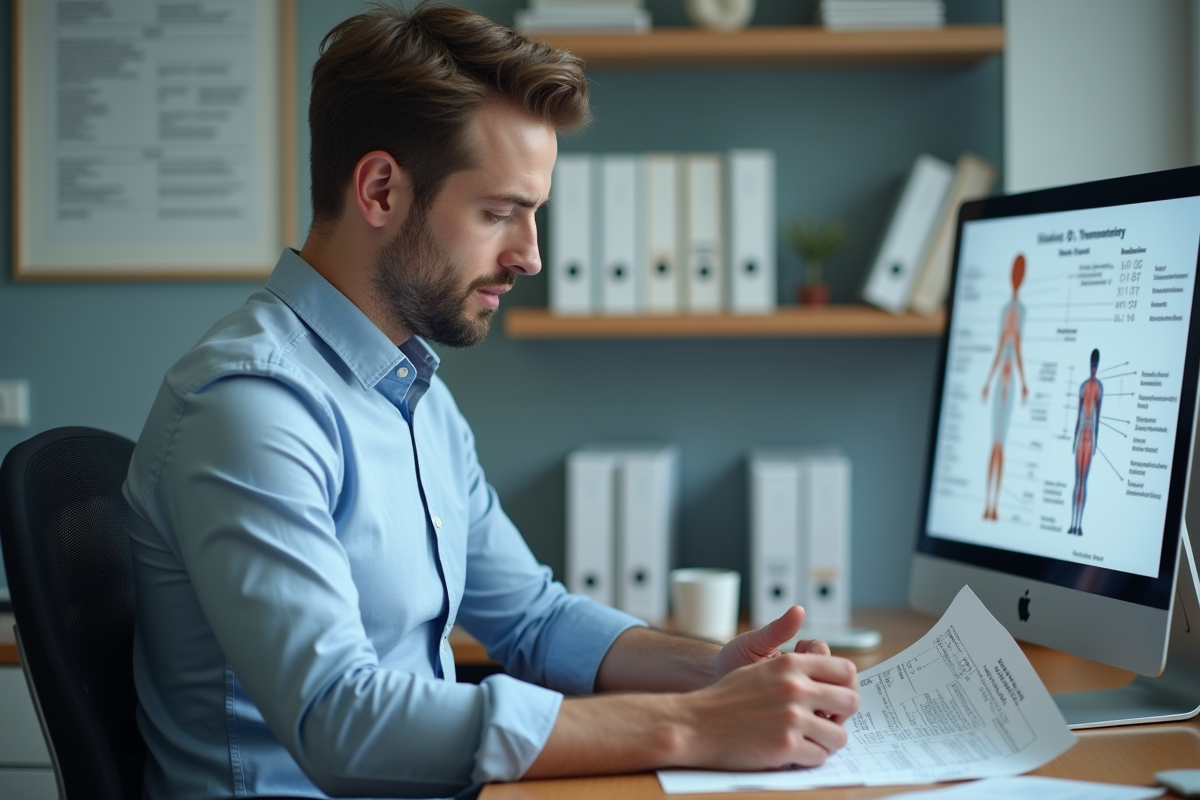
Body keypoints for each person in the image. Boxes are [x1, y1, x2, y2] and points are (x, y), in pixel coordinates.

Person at [122, 4, 860, 798]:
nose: (531, 256)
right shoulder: (251, 410)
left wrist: (711, 671)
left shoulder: (414, 395)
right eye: (499, 213)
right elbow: (338, 719)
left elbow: (534, 619)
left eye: (533, 214)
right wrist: (692, 725)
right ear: (380, 190)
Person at [981, 253, 1029, 521]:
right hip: (1001, 381)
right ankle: (987, 506)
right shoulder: (1005, 311)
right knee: (994, 443)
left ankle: (995, 505)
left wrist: (1023, 383)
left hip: (1009, 386)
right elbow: (1000, 349)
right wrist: (989, 381)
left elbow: (1017, 350)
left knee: (1002, 443)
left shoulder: (1021, 312)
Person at [1069, 349, 1103, 536]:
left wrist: (1095, 441)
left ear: (1098, 366)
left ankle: (1079, 524)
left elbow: (1098, 418)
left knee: (1084, 481)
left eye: (1095, 364)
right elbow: (1077, 415)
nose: (1093, 367)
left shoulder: (1099, 388)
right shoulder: (1083, 387)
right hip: (1082, 435)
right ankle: (1073, 523)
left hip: (1089, 438)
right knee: (1077, 481)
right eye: (1092, 363)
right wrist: (1075, 440)